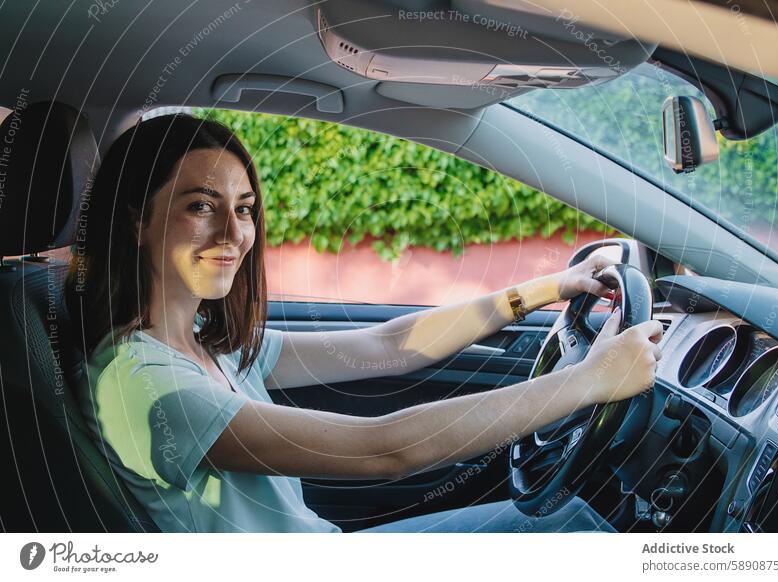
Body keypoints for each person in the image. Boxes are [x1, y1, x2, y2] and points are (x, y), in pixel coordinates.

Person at [65, 113, 663, 533]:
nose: (234, 235)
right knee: (575, 532)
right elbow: (384, 451)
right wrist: (588, 380)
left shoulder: (206, 347)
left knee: (568, 525)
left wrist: (541, 290)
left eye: (244, 210)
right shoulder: (147, 386)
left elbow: (386, 344)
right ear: (137, 220)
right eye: (201, 206)